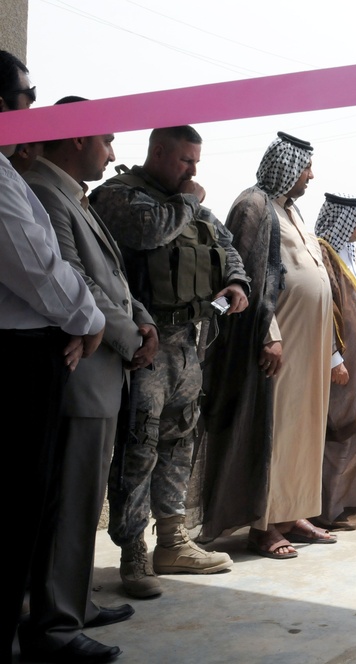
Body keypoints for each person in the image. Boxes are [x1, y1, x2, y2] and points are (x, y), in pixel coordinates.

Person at [19, 98, 158, 661]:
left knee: (82, 498)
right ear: (77, 138)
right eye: (107, 140)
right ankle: (56, 619)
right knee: (69, 502)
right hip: (83, 371)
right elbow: (76, 282)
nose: (113, 151)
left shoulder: (70, 194)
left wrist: (141, 320)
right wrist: (133, 337)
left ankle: (75, 601)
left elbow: (114, 279)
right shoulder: (44, 192)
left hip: (103, 369)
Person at [91, 125, 247, 595]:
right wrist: (187, 200)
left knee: (179, 443)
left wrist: (237, 284)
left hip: (189, 344)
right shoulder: (120, 196)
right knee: (139, 446)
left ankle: (173, 540)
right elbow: (147, 232)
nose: (193, 171)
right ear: (158, 152)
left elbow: (229, 247)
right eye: (185, 160)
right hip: (143, 346)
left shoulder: (191, 202)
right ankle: (132, 550)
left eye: (196, 162)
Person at [1, 50, 111, 663]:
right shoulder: (11, 182)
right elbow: (42, 269)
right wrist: (90, 320)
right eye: (26, 97)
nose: (31, 111)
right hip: (18, 360)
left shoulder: (13, 175)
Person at [200, 132, 335, 559]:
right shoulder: (253, 206)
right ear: (286, 166)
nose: (311, 175)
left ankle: (291, 512)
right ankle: (263, 525)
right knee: (273, 432)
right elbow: (247, 277)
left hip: (309, 345)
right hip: (279, 344)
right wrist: (268, 333)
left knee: (302, 431)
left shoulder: (291, 211)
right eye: (305, 166)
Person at [312, 193, 356, 529]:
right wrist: (334, 358)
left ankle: (354, 501)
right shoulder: (324, 255)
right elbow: (327, 312)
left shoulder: (348, 256)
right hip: (343, 366)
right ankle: (328, 507)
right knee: (339, 432)